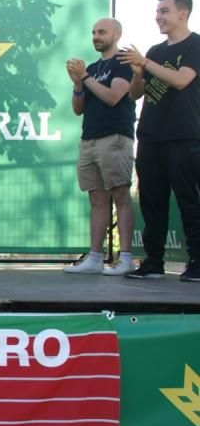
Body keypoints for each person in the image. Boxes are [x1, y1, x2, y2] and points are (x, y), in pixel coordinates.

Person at [118, 0, 200, 281]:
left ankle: (197, 261)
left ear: (183, 13)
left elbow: (181, 80)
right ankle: (153, 262)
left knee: (188, 199)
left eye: (164, 11)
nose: (158, 17)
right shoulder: (154, 50)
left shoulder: (195, 45)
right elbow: (135, 93)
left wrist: (146, 64)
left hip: (184, 136)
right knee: (152, 201)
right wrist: (139, 72)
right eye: (157, 12)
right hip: (151, 136)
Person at [64, 18, 136, 276]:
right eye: (93, 32)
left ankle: (125, 257)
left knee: (120, 195)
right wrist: (77, 84)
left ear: (116, 33)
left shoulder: (124, 61)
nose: (96, 36)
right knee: (96, 198)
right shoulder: (93, 67)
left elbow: (114, 97)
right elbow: (78, 109)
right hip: (89, 139)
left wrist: (85, 76)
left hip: (115, 137)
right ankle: (94, 257)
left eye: (102, 32)